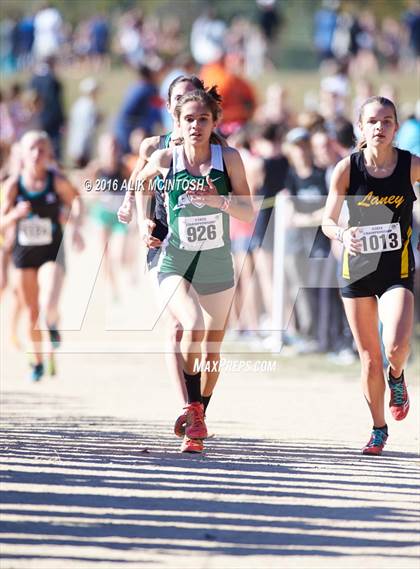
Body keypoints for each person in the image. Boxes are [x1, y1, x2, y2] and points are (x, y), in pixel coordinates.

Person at [133, 87, 254, 453]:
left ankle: (197, 419)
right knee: (191, 324)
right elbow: (140, 182)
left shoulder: (228, 159)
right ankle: (192, 409)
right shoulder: (166, 158)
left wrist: (217, 200)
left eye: (203, 119)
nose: (196, 126)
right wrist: (143, 222)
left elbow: (249, 211)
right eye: (189, 119)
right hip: (175, 261)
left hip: (216, 261)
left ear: (214, 121)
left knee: (213, 352)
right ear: (179, 123)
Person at [322, 96, 420, 455]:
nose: (380, 127)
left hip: (396, 268)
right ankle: (379, 429)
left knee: (396, 345)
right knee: (369, 356)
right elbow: (327, 219)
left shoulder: (410, 165)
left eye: (388, 121)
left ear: (397, 127)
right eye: (373, 121)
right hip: (358, 269)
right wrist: (343, 233)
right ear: (360, 128)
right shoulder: (348, 169)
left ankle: (398, 376)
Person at [118, 74, 205, 409]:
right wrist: (138, 215)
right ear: (169, 107)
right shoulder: (154, 146)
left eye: (192, 97)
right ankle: (187, 408)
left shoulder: (216, 146)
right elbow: (139, 181)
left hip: (205, 246)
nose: (185, 104)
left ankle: (200, 401)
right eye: (179, 99)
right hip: (163, 241)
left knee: (203, 332)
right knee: (176, 326)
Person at [0, 130, 84, 381]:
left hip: (51, 253)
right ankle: (36, 361)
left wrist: (74, 223)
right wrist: (15, 215)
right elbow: (2, 222)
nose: (37, 154)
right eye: (32, 149)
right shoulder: (14, 185)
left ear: (49, 153)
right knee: (32, 311)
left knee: (48, 301)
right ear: (23, 154)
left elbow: (76, 201)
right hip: (24, 255)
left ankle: (54, 324)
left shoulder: (55, 180)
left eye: (41, 149)